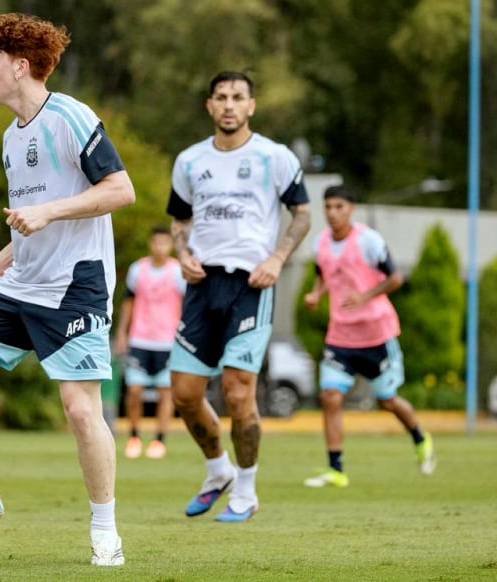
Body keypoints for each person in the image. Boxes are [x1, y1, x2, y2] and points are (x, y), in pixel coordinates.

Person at [0, 13, 135, 567]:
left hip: (74, 289)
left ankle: (105, 532)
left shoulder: (70, 116)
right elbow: (32, 220)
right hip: (21, 284)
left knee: (80, 410)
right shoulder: (10, 139)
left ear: (20, 65)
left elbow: (120, 189)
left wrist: (47, 211)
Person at [166, 70, 311, 522]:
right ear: (209, 106)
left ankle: (246, 492)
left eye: (238, 97)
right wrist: (182, 252)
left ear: (251, 106)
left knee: (236, 388)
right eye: (221, 97)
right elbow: (178, 222)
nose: (229, 105)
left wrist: (278, 257)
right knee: (185, 394)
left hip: (251, 284)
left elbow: (302, 215)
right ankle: (218, 472)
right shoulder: (189, 161)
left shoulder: (274, 157)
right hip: (200, 284)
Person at [302, 185, 436, 488]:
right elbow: (323, 274)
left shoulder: (368, 240)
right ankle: (336, 469)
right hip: (340, 335)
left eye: (339, 206)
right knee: (330, 397)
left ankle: (419, 437)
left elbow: (395, 278)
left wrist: (365, 296)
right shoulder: (320, 243)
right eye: (328, 207)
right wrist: (315, 293)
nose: (333, 213)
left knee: (387, 401)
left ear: (351, 208)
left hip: (376, 334)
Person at [113, 225, 185, 459]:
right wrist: (122, 333)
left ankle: (159, 440)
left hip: (168, 342)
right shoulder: (138, 270)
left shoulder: (178, 271)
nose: (160, 247)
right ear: (151, 244)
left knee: (166, 393)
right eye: (157, 242)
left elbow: (187, 306)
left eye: (165, 243)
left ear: (171, 245)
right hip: (140, 339)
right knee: (134, 391)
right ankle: (134, 436)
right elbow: (128, 303)